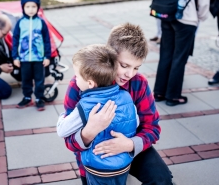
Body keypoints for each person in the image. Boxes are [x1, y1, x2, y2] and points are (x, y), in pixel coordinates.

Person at [63, 23, 172, 185]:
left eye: (136, 67)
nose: (130, 74)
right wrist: (88, 133)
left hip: (131, 145)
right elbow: (68, 138)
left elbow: (152, 128)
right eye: (124, 65)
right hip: (94, 156)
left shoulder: (138, 82)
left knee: (161, 179)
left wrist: (129, 144)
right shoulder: (82, 83)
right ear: (110, 56)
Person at [57, 44, 138, 185]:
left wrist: (63, 116)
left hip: (98, 166)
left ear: (90, 83)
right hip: (124, 164)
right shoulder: (126, 96)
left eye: (77, 76)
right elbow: (135, 122)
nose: (75, 80)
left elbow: (62, 130)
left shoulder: (86, 106)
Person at [153, 0, 211, 106]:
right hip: (187, 20)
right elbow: (203, 1)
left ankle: (159, 92)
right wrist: (200, 18)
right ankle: (173, 96)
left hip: (167, 15)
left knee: (166, 54)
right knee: (179, 57)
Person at [12, 0, 51, 111]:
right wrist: (15, 57)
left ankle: (39, 98)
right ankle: (27, 97)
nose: (30, 9)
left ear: (38, 7)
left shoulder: (41, 22)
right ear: (23, 7)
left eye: (34, 6)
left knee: (39, 80)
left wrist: (47, 56)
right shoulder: (20, 23)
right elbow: (15, 40)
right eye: (27, 6)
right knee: (26, 80)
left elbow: (46, 40)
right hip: (24, 58)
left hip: (38, 58)